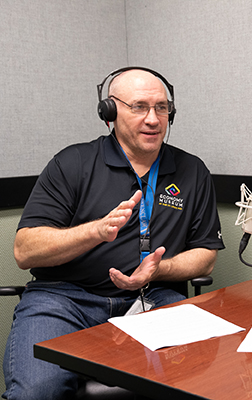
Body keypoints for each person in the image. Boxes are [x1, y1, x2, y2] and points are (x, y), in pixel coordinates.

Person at [3, 68, 225, 400]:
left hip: (153, 297)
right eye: (139, 107)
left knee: (202, 376)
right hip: (64, 299)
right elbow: (25, 251)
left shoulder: (192, 170)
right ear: (109, 111)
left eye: (161, 108)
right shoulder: (72, 163)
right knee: (39, 390)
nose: (153, 119)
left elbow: (206, 256)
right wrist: (94, 231)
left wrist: (158, 270)